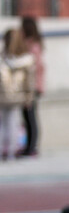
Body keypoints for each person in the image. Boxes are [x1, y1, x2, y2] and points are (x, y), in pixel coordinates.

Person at [0, 28, 35, 160]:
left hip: (3, 96)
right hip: (17, 96)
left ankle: (4, 151)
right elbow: (30, 81)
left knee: (4, 123)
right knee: (13, 123)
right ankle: (11, 152)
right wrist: (29, 97)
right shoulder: (26, 59)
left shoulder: (3, 58)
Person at [18, 16, 44, 156]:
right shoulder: (29, 44)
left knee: (30, 116)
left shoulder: (32, 46)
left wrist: (36, 87)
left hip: (31, 87)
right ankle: (29, 146)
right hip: (28, 86)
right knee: (27, 117)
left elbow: (35, 68)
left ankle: (32, 147)